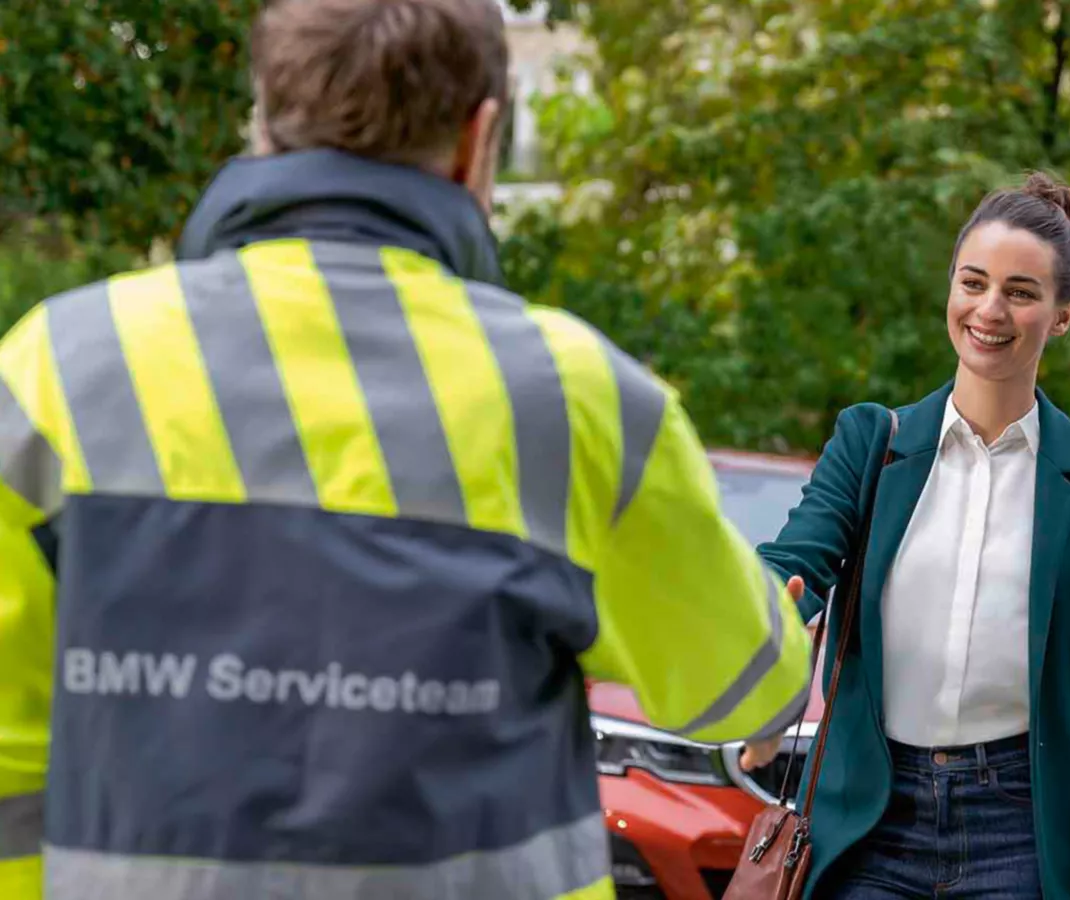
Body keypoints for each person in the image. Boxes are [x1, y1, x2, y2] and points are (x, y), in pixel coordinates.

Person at [0, 0, 809, 897]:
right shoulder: (574, 394)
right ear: (480, 138)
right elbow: (746, 687)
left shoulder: (57, 367)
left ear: (263, 119)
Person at [758, 172, 1070, 899]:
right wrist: (759, 647)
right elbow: (791, 569)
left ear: (1063, 314)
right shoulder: (870, 443)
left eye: (1020, 291)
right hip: (870, 822)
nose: (989, 309)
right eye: (973, 282)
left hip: (1021, 826)